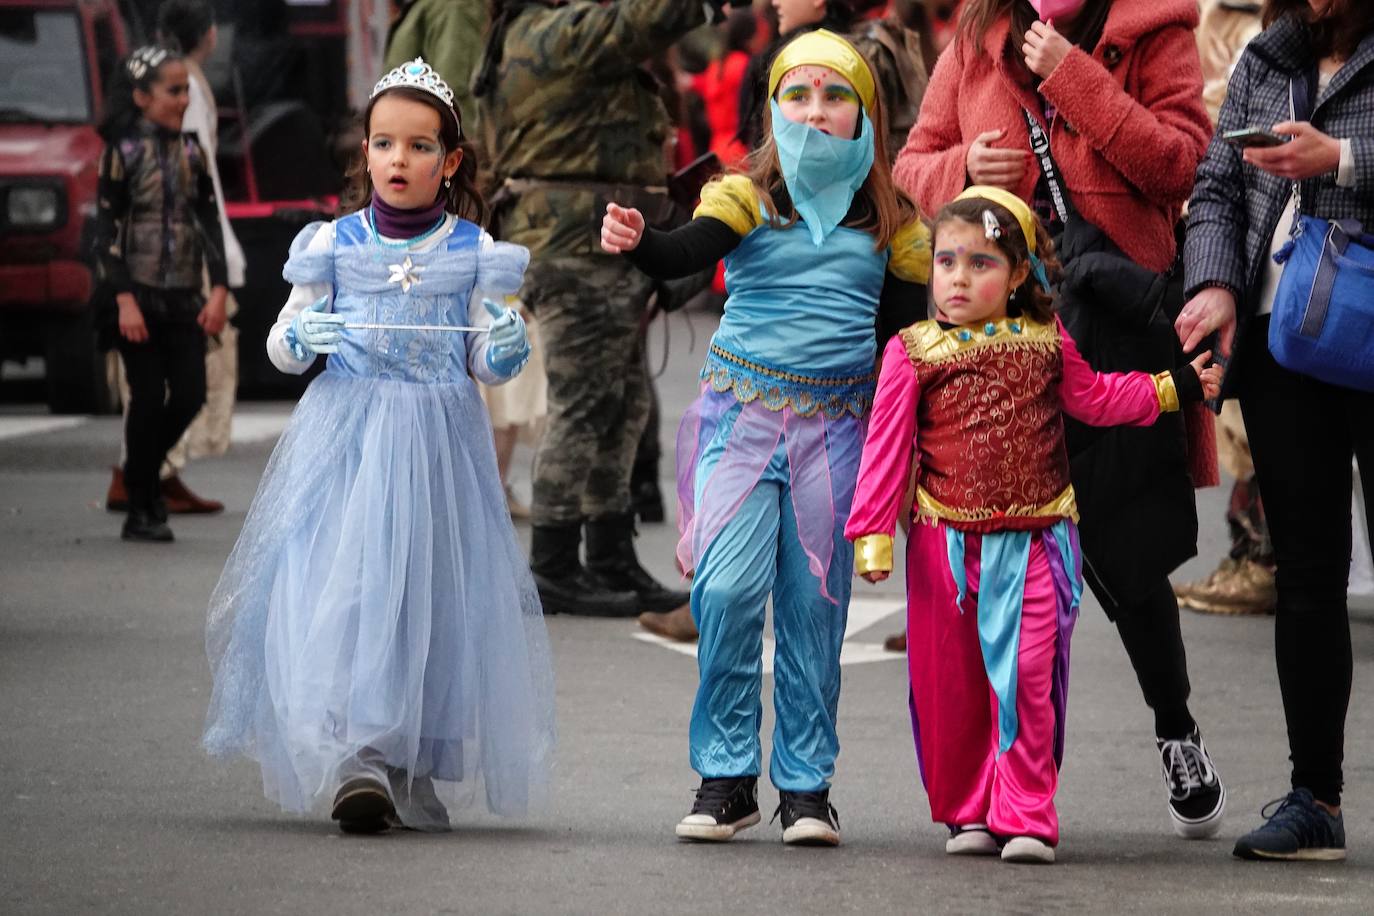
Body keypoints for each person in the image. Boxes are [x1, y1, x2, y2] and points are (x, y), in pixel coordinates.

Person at [895, 0, 1228, 840]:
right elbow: (914, 162)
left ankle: (1175, 726)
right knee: (995, 579)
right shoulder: (978, 32)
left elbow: (1182, 165)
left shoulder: (1156, 27)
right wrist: (965, 167)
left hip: (1111, 330)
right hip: (992, 350)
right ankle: (995, 793)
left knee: (1129, 559)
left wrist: (1071, 79)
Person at [201, 59, 554, 833]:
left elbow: (483, 360)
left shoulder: (474, 250)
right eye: (385, 144)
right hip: (347, 444)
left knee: (427, 597)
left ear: (449, 161)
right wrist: (301, 335)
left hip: (438, 446)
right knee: (350, 586)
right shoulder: (332, 244)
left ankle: (406, 759)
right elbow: (282, 345)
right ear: (364, 152)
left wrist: (503, 344)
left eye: (420, 146)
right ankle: (356, 756)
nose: (400, 160)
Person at [602, 29, 931, 845]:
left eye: (835, 98)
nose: (815, 113)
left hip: (839, 436)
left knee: (816, 609)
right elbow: (684, 256)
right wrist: (641, 239)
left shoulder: (895, 218)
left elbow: (903, 344)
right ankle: (725, 777)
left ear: (866, 116)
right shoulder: (744, 193)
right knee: (724, 592)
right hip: (742, 424)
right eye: (798, 95)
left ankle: (806, 788)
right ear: (772, 110)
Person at [847, 189, 1220, 864]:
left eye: (981, 263)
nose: (958, 278)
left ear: (1019, 274)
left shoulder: (1049, 342)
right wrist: (872, 533)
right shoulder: (915, 351)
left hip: (1039, 542)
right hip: (946, 550)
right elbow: (885, 447)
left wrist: (1172, 388)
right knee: (952, 685)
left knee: (1029, 675)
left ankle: (1025, 811)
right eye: (947, 261)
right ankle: (969, 810)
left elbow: (1098, 399)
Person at [1180, 0, 1374, 862]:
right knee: (1306, 573)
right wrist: (1217, 283)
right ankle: (1316, 799)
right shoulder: (1268, 55)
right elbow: (1218, 185)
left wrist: (1345, 159)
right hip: (1284, 337)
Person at [474, 0, 717, 618]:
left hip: (597, 242)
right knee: (584, 404)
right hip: (574, 247)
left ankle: (609, 555)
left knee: (623, 403)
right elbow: (636, 23)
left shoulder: (548, 29)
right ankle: (554, 565)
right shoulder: (548, 30)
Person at [385, 0, 549, 519]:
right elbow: (451, 110)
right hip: (457, 205)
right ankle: (480, 486)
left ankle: (472, 486)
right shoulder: (458, 9)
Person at [105, 0, 245, 518]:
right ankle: (146, 480)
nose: (183, 99)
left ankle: (146, 473)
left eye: (185, 92)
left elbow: (205, 205)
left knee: (185, 389)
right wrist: (121, 295)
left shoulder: (184, 133)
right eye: (174, 92)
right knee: (150, 389)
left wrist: (222, 277)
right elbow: (109, 227)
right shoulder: (128, 150)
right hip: (140, 282)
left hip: (185, 273)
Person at [1172, 0, 1274, 616]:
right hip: (1225, 221)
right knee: (1238, 415)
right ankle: (1256, 553)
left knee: (1249, 419)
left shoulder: (1266, 37)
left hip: (1274, 233)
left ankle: (1265, 558)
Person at [739, 0, 929, 155]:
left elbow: (884, 152)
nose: (775, 3)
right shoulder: (796, 54)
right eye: (797, 97)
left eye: (834, 98)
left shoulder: (861, 56)